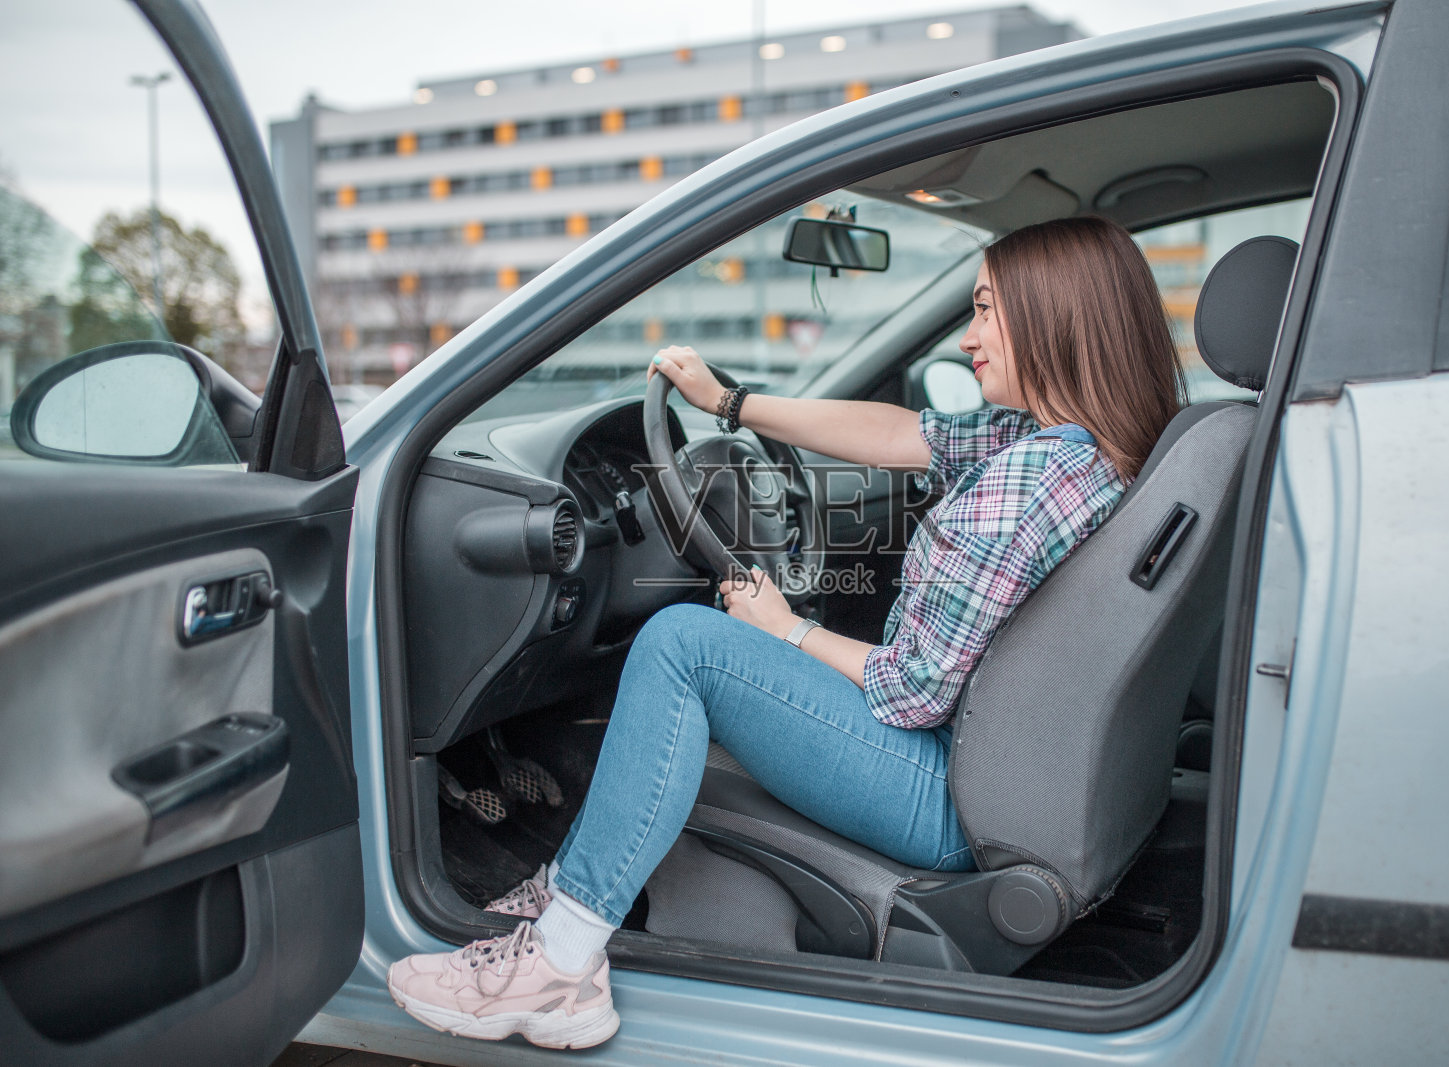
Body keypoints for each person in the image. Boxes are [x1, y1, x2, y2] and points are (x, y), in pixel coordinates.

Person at [385, 216, 1185, 1049]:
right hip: (1003, 764)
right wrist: (729, 403)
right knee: (700, 653)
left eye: (986, 309)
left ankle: (559, 966)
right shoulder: (1072, 447)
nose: (968, 332)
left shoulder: (1019, 486)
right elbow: (900, 433)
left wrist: (786, 628)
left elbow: (913, 690)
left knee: (680, 646)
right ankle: (563, 888)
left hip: (946, 791)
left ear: (1052, 317)